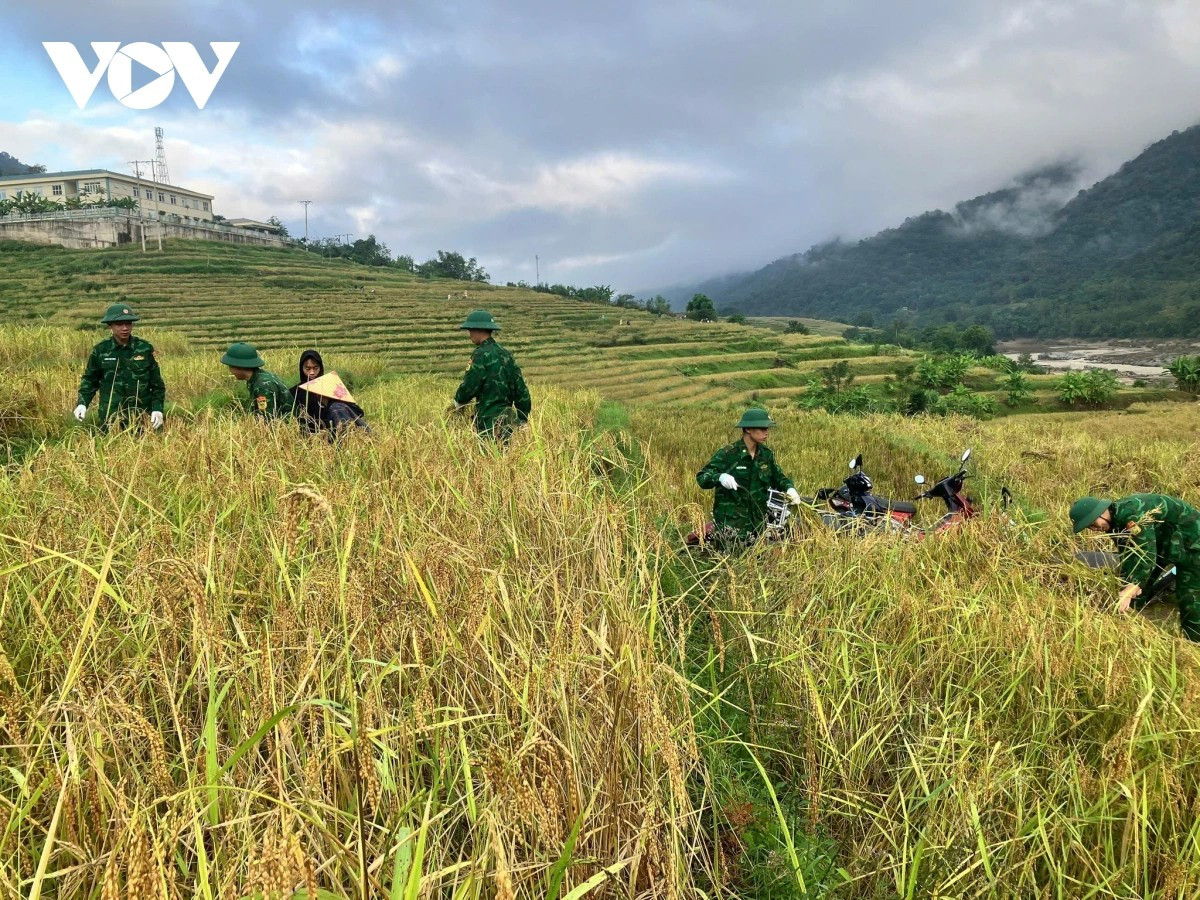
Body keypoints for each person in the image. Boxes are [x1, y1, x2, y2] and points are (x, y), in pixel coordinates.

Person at [1070, 493, 1200, 641]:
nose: (1094, 529)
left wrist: (1132, 586)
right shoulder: (1113, 522)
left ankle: (1194, 643)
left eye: (1093, 524)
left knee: (1191, 599)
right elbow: (1128, 555)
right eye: (1089, 527)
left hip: (1193, 544)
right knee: (1134, 592)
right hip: (1165, 543)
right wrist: (1127, 585)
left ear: (1101, 513)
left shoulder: (1132, 515)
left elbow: (1145, 555)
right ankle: (1132, 626)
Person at [696, 408, 801, 544]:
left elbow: (778, 477)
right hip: (732, 525)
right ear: (748, 429)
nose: (766, 432)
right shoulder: (728, 453)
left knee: (758, 562)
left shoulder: (765, 455)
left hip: (758, 524)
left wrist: (789, 489)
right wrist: (720, 477)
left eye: (767, 428)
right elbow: (702, 477)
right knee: (730, 562)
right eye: (762, 428)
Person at [74, 303, 166, 433]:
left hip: (142, 417)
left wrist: (157, 409)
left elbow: (157, 384)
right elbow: (90, 381)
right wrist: (82, 404)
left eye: (128, 323)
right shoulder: (101, 351)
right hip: (111, 418)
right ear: (110, 325)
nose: (125, 328)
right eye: (119, 324)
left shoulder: (144, 349)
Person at [452, 310, 531, 439]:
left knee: (488, 454)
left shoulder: (481, 354)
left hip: (487, 422)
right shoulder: (506, 354)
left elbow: (470, 385)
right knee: (507, 455)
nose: (469, 334)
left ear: (478, 330)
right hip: (508, 421)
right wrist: (522, 418)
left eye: (470, 330)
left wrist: (458, 402)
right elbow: (521, 389)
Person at [290, 349, 369, 437]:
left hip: (339, 424)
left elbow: (358, 411)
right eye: (307, 368)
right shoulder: (296, 391)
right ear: (301, 368)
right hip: (317, 431)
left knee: (336, 407)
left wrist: (328, 401)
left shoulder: (331, 385)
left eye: (315, 368)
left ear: (320, 368)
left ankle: (349, 436)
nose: (312, 372)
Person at [220, 342, 292, 420]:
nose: (230, 371)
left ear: (238, 367)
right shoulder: (258, 378)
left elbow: (267, 420)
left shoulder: (263, 386)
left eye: (230, 367)